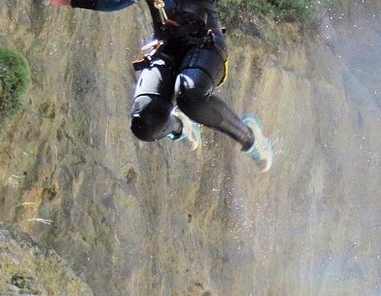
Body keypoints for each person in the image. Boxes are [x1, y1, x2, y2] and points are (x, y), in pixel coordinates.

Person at [48, 0, 275, 172]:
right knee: (144, 124)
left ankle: (249, 137)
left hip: (205, 44)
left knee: (189, 93)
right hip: (165, 49)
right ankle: (179, 127)